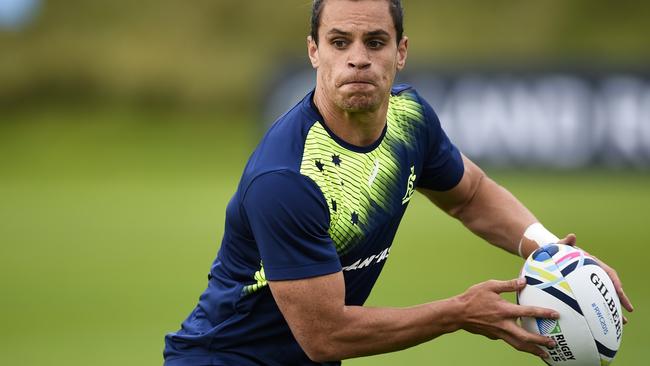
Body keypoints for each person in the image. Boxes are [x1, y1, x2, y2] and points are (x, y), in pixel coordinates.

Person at [163, 1, 633, 365]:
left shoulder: (410, 118)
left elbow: (469, 194)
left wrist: (553, 251)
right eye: (340, 42)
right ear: (313, 51)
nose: (358, 60)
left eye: (375, 41)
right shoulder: (287, 178)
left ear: (401, 51)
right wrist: (458, 312)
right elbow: (326, 335)